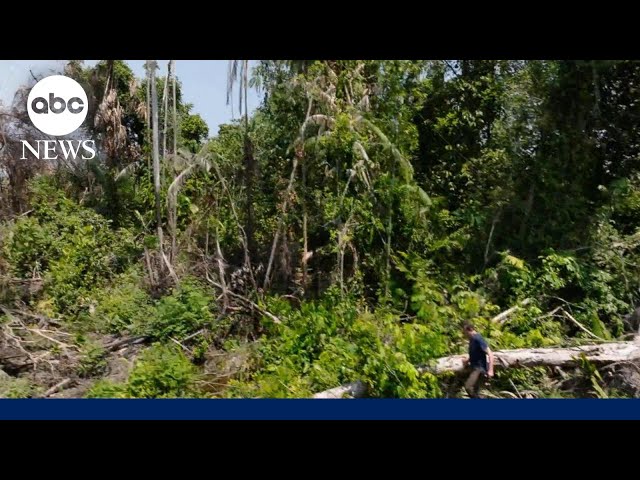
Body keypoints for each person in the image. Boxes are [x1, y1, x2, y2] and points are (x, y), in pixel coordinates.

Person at [461, 322, 494, 398]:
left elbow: (490, 354)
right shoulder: (472, 339)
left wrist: (490, 370)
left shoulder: (478, 338)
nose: (464, 334)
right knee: (476, 391)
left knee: (468, 387)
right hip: (474, 367)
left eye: (465, 332)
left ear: (470, 330)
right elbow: (475, 352)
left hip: (479, 369)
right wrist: (468, 360)